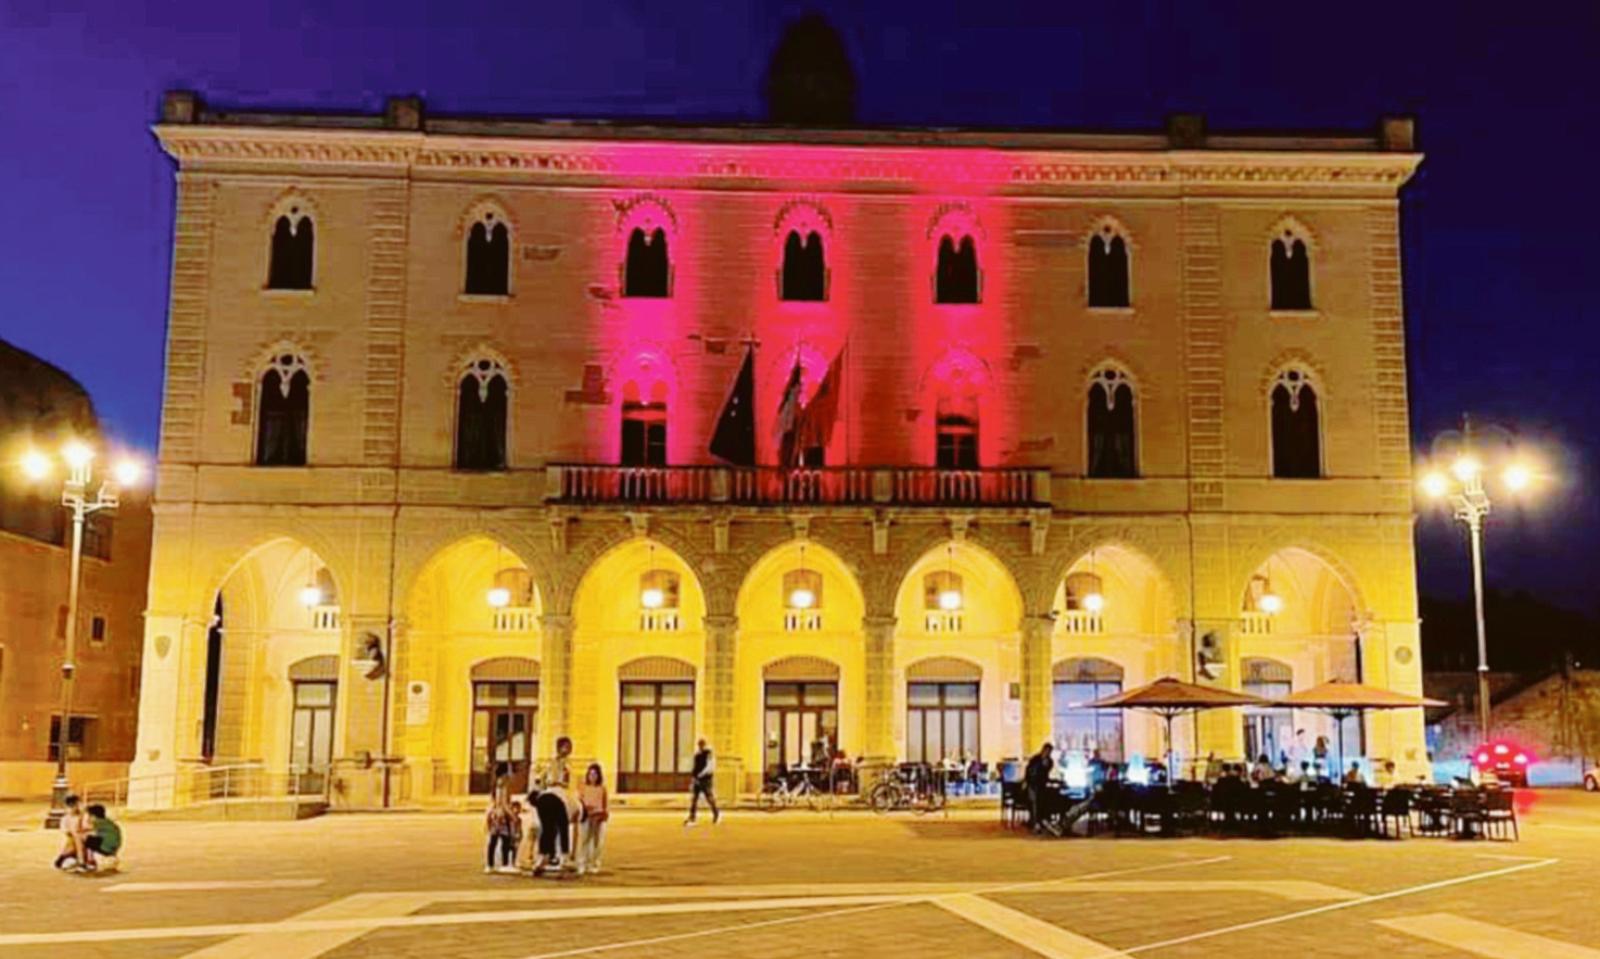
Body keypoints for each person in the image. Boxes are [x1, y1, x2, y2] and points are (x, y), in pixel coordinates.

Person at [528, 786, 571, 875]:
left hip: (553, 807)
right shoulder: (552, 795)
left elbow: (546, 827)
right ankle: (564, 857)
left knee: (546, 831)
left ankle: (544, 857)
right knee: (563, 831)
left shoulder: (540, 802)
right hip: (560, 807)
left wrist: (545, 849)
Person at [577, 763, 609, 875]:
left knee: (598, 842)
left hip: (599, 817)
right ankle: (582, 863)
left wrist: (603, 815)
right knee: (584, 841)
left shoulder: (602, 788)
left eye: (595, 774)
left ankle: (595, 864)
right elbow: (580, 802)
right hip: (586, 817)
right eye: (590, 774)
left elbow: (605, 804)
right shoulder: (583, 788)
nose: (592, 777)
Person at [685, 738, 720, 825]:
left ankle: (716, 814)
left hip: (705, 779)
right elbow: (695, 767)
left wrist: (701, 774)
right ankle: (692, 817)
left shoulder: (708, 754)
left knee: (709, 797)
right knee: (694, 799)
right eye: (699, 745)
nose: (700, 746)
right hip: (698, 779)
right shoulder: (697, 755)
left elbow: (710, 767)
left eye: (701, 745)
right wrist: (694, 777)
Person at [1023, 742, 1056, 833]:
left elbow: (1046, 772)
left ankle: (1041, 821)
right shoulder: (1035, 759)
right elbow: (1029, 770)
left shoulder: (1049, 761)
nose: (1047, 753)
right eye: (1047, 750)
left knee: (1043, 802)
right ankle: (1035, 822)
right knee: (1034, 803)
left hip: (1042, 785)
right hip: (1032, 784)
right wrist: (1027, 781)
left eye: (1049, 751)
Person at [484, 791, 518, 874]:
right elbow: (488, 817)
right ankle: (491, 864)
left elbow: (513, 819)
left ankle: (504, 864)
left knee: (504, 845)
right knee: (493, 844)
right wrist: (488, 827)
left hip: (503, 828)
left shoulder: (505, 807)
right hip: (496, 827)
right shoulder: (493, 807)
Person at [83, 804, 123, 872]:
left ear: (93, 815)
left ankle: (89, 860)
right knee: (91, 838)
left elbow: (82, 829)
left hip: (106, 848)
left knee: (85, 838)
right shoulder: (107, 821)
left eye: (89, 815)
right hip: (113, 849)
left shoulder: (97, 822)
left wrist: (82, 816)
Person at [53, 794, 89, 871]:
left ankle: (81, 861)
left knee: (78, 839)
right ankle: (81, 862)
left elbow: (86, 828)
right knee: (76, 840)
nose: (77, 807)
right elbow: (66, 831)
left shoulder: (84, 816)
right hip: (73, 840)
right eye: (75, 805)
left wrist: (81, 817)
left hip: (81, 839)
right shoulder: (65, 818)